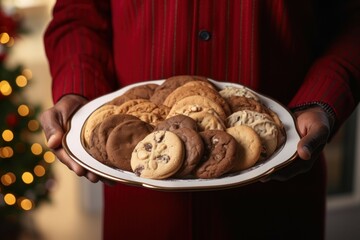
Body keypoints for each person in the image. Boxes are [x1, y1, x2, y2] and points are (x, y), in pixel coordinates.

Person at [40, 0, 360, 239]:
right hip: (141, 207)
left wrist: (323, 98)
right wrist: (78, 91)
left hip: (277, 199)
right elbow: (78, 15)